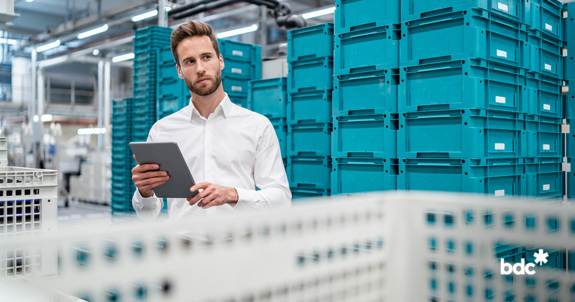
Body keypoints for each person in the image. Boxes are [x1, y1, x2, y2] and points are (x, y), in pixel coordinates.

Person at [131, 20, 291, 220]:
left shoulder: (257, 126)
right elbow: (147, 214)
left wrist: (233, 194)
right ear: (179, 71)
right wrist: (145, 192)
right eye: (189, 61)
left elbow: (282, 199)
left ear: (220, 61)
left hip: (241, 245)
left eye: (206, 57)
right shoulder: (162, 131)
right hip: (182, 246)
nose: (200, 68)